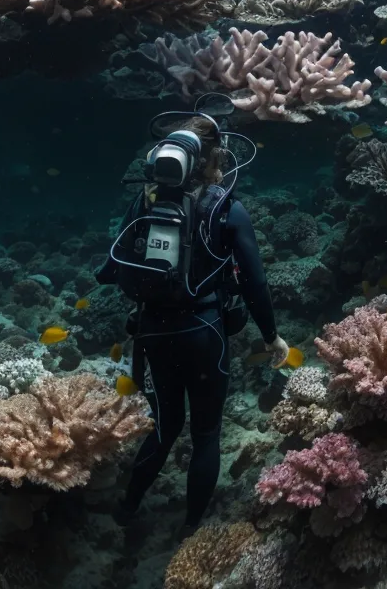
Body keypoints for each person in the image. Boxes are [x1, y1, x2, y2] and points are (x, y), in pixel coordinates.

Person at [100, 114, 286, 531]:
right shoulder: (225, 206)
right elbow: (255, 281)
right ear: (210, 157)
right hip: (204, 333)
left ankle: (127, 508)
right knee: (205, 434)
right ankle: (188, 530)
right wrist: (271, 336)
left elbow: (113, 267)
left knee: (166, 427)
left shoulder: (144, 201)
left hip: (153, 333)